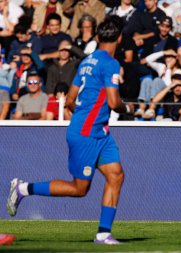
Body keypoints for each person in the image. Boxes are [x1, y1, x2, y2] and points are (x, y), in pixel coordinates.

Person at [7, 16, 128, 245]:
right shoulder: (111, 63)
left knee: (116, 175)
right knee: (79, 189)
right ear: (120, 38)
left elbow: (70, 99)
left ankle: (103, 234)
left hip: (97, 132)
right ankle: (23, 188)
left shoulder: (87, 61)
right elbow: (114, 103)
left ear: (98, 36)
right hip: (87, 133)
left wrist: (85, 117)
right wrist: (126, 106)